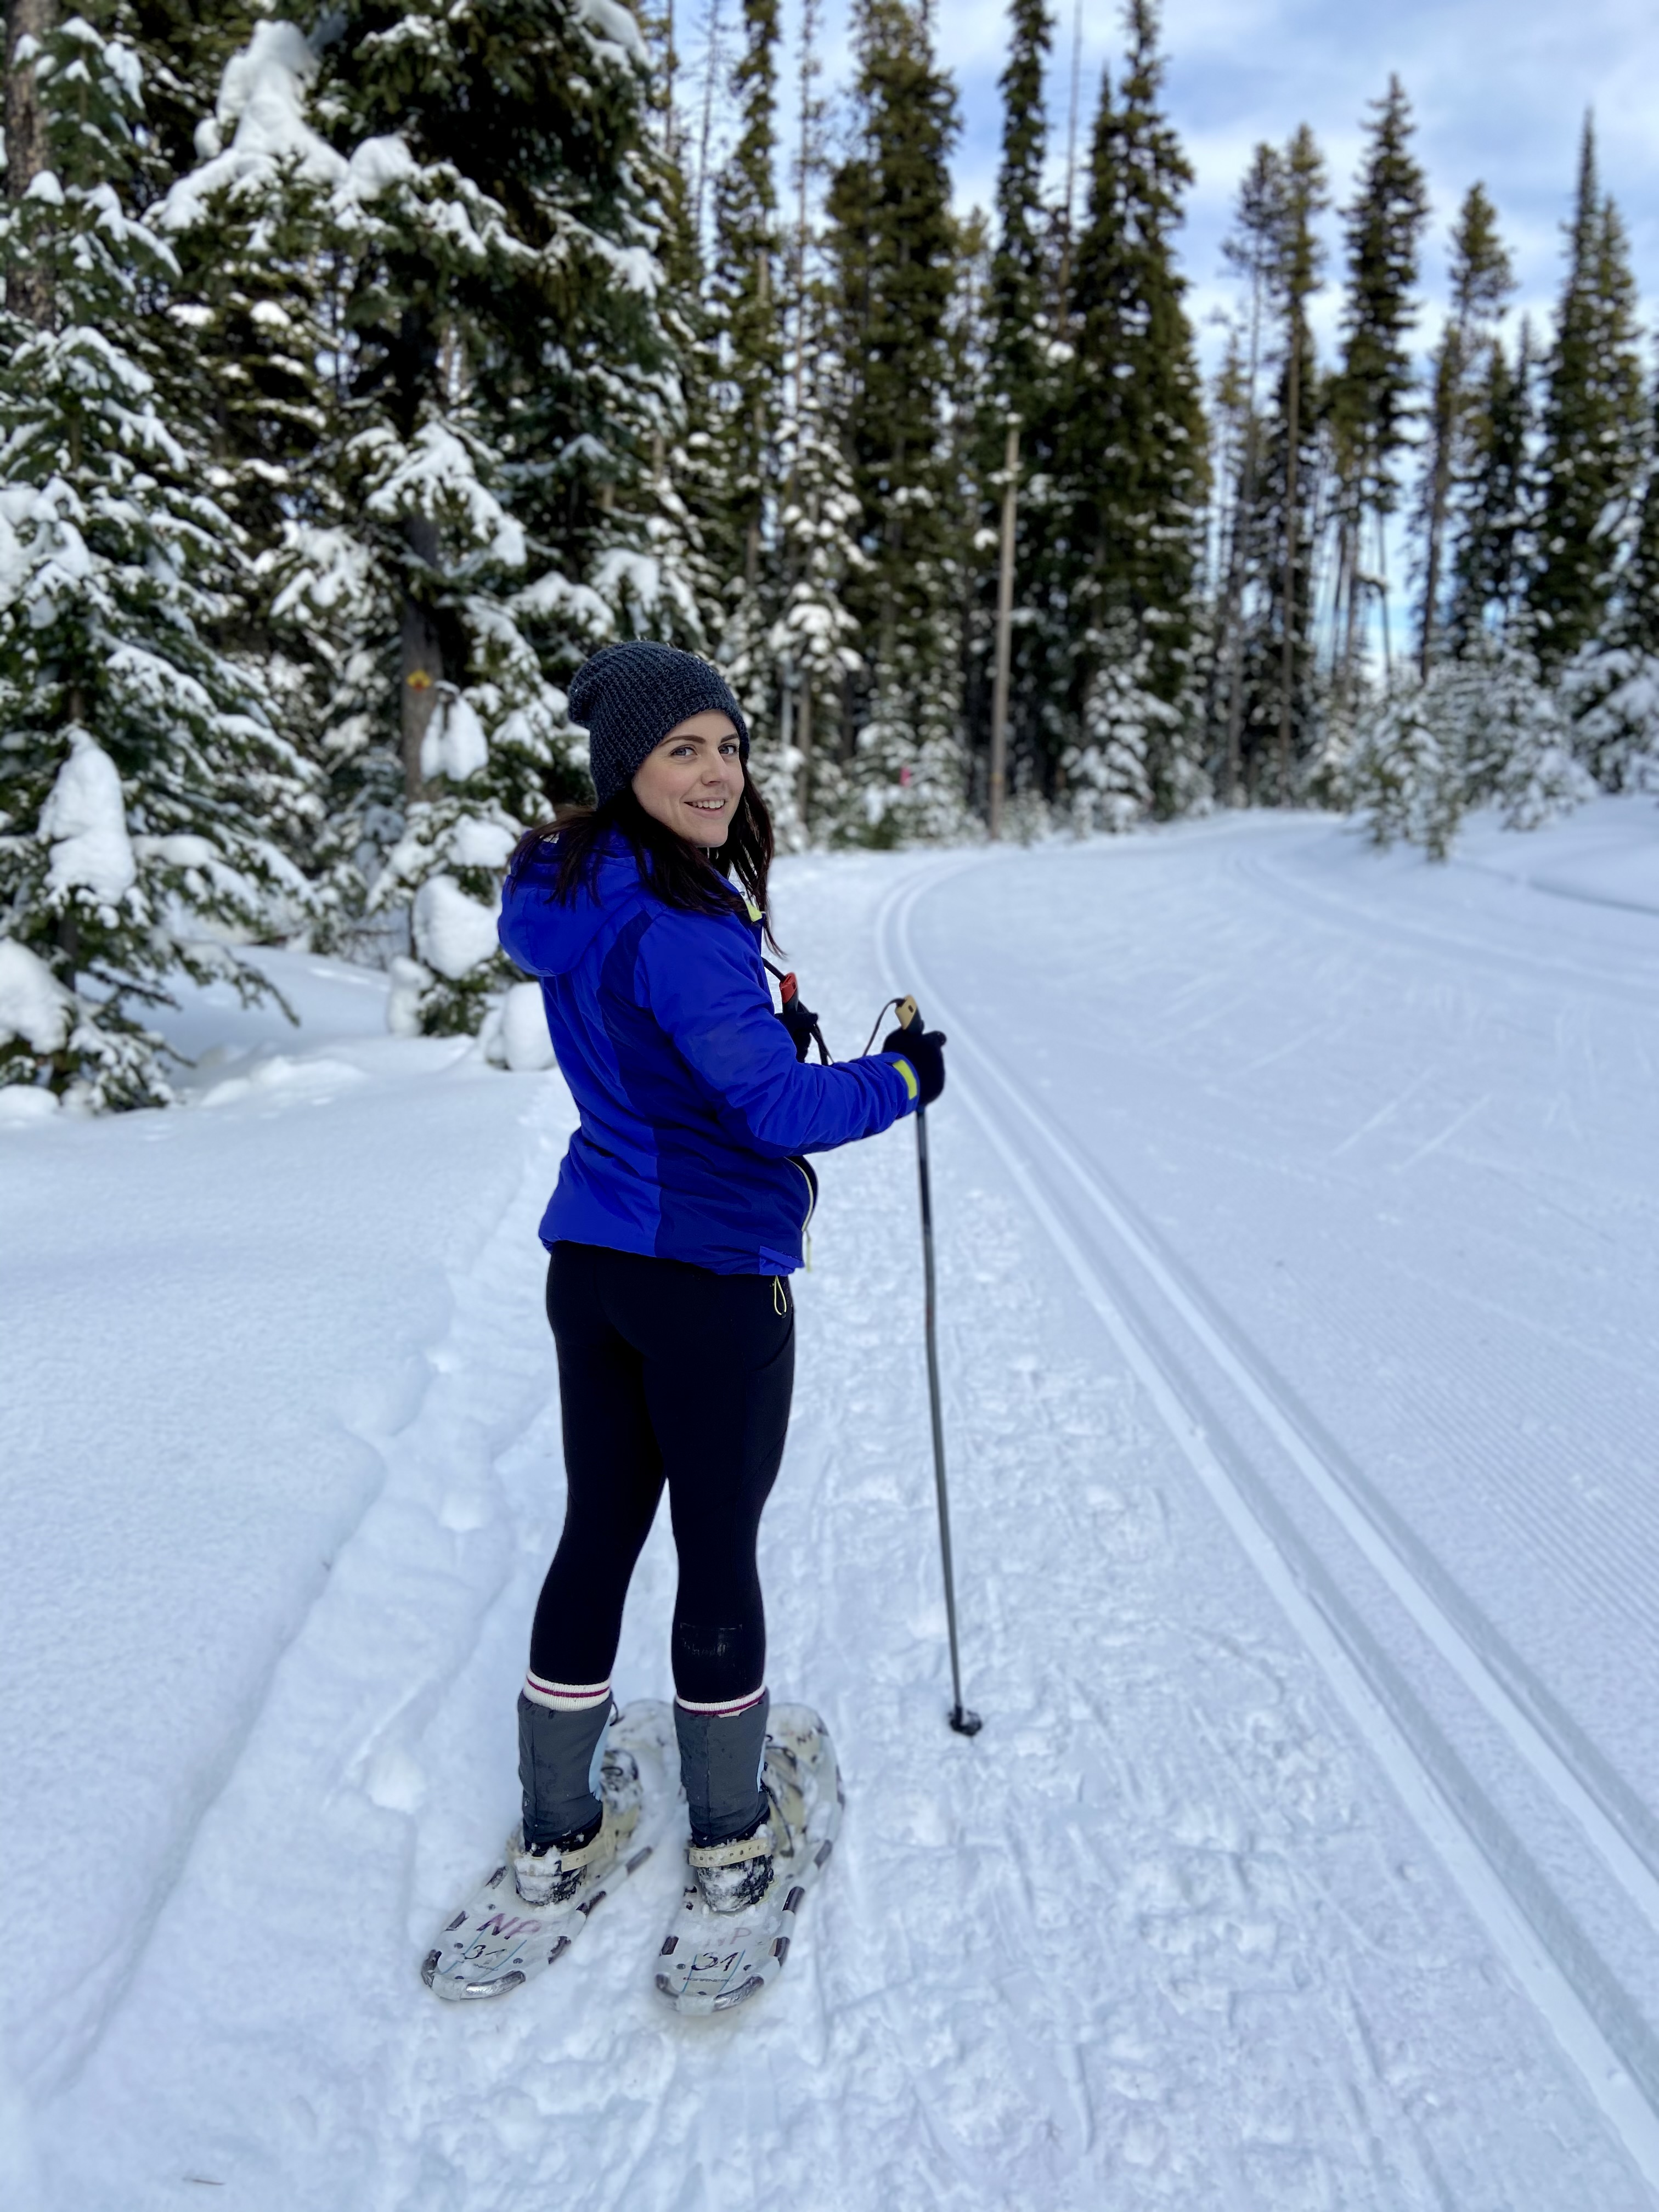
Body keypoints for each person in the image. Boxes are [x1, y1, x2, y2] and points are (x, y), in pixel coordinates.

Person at [495, 640, 947, 1927]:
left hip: (594, 1265)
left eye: (729, 744)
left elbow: (680, 1058)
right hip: (706, 1279)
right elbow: (771, 1110)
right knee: (715, 1546)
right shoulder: (682, 920)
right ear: (624, 764)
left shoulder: (570, 885)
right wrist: (900, 1079)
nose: (716, 773)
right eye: (681, 749)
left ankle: (556, 1835)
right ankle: (732, 1845)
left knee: (599, 1533)